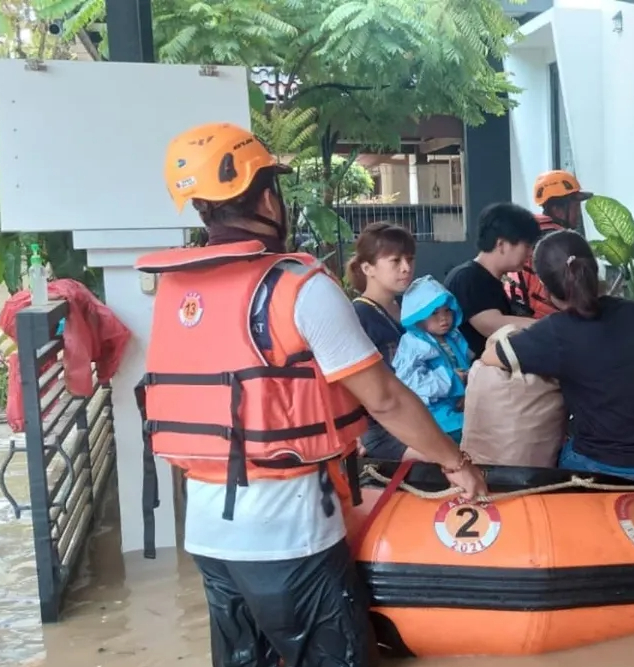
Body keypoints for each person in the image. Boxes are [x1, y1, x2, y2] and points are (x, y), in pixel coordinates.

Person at [139, 122, 487, 667]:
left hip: (209, 538)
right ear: (266, 197)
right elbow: (385, 398)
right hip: (288, 535)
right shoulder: (298, 287)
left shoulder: (177, 290)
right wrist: (457, 463)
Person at [480, 230, 634, 482]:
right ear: (594, 270)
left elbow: (491, 357)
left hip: (611, 466)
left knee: (555, 455)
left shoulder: (555, 331)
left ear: (547, 288)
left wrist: (526, 329)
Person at [346, 222, 416, 460]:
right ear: (368, 268)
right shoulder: (358, 315)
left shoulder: (414, 308)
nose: (406, 268)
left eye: (410, 259)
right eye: (395, 261)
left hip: (421, 415)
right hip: (382, 427)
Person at [445, 202, 542, 358]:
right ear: (501, 244)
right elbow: (492, 325)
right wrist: (549, 327)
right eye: (527, 246)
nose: (530, 253)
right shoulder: (467, 277)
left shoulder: (488, 278)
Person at [392, 275, 471, 443]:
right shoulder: (413, 344)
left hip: (462, 405)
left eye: (447, 310)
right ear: (418, 318)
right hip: (432, 414)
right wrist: (451, 380)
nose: (443, 318)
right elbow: (409, 382)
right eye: (434, 313)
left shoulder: (453, 337)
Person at [505, 170, 593, 318]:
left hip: (517, 313)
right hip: (547, 318)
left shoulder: (525, 232)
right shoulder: (562, 242)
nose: (578, 213)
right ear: (557, 210)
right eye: (575, 207)